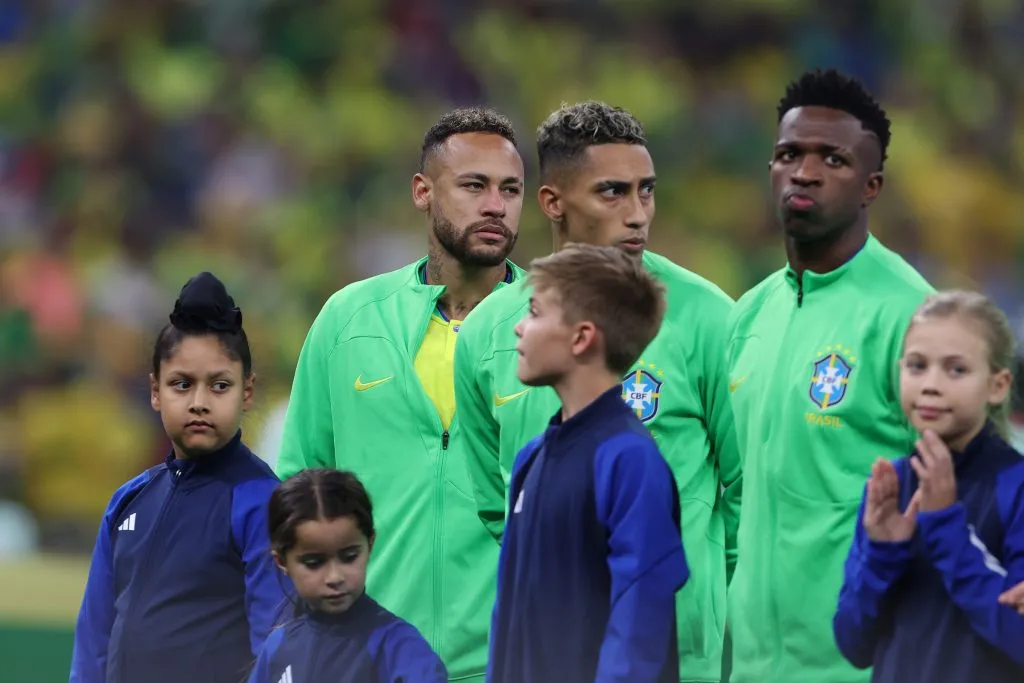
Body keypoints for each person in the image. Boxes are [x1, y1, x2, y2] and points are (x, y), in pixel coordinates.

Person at [455, 100, 739, 683]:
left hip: (674, 657)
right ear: (553, 203)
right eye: (613, 193)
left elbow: (742, 489)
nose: (638, 214)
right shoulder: (490, 330)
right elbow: (496, 503)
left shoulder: (709, 318)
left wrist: (705, 609)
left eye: (647, 191)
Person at [275, 107, 526, 681]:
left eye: (510, 189)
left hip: (512, 657)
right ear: (422, 191)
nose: (496, 205)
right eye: (474, 185)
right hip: (366, 659)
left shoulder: (554, 324)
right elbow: (298, 487)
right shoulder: (348, 320)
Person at [724, 68, 934, 683]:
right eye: (789, 154)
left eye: (832, 159)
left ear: (871, 186)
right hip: (753, 667)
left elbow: (969, 487)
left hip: (867, 667)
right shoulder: (749, 315)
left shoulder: (912, 316)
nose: (805, 172)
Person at [70, 272, 286, 683]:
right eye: (181, 385)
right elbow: (92, 644)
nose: (199, 403)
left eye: (219, 385)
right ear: (155, 391)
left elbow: (274, 649)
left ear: (247, 391)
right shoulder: (128, 501)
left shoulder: (263, 502)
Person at [487, 244, 688, 683]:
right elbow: (508, 619)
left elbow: (639, 630)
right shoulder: (531, 458)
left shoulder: (629, 460)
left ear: (581, 338)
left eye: (535, 312)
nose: (520, 328)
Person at [833, 290, 1024, 682]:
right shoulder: (892, 485)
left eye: (956, 370)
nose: (931, 385)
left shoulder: (1015, 486)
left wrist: (945, 527)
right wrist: (883, 552)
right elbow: (853, 643)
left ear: (998, 385)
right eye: (917, 366)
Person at [248, 468, 447, 683]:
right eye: (314, 563)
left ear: (369, 544)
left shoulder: (401, 649)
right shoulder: (278, 647)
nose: (335, 577)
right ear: (282, 562)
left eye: (349, 557)